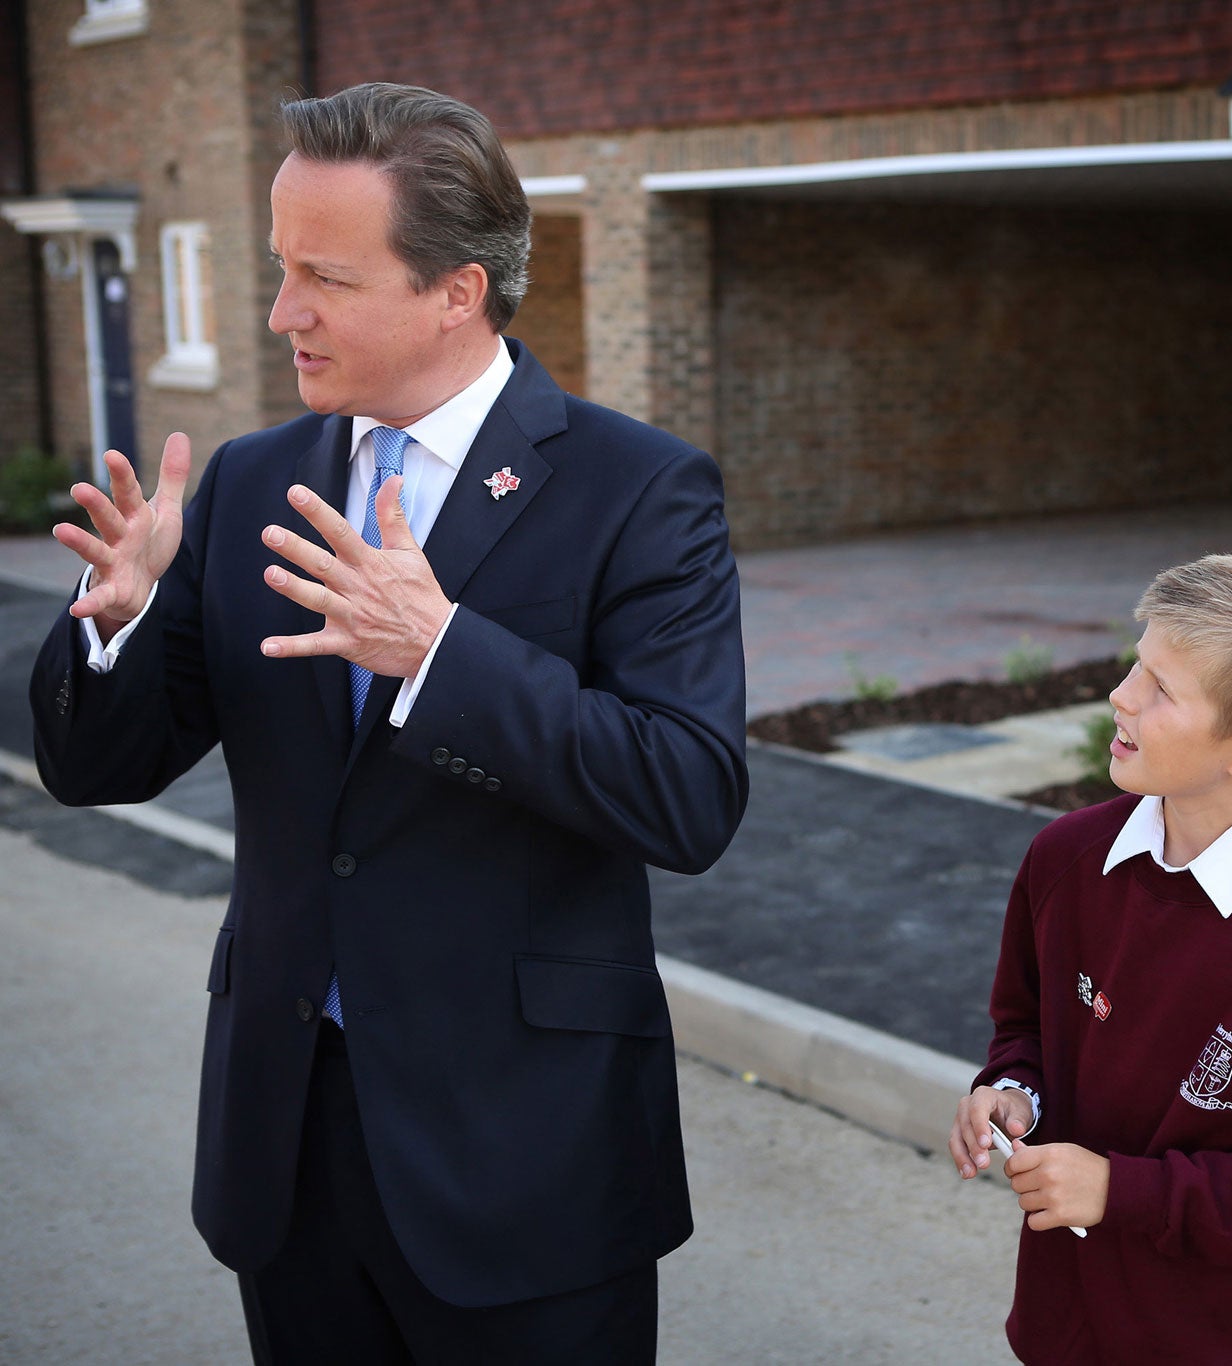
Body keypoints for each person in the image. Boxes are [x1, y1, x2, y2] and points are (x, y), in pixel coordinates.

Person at [29, 83, 747, 1363]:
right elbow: (98, 765)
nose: (280, 312)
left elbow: (686, 795)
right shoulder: (254, 479)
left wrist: (443, 656)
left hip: (527, 1159)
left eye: (325, 277)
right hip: (287, 1141)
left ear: (456, 291)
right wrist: (115, 624)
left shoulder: (636, 489)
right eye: (277, 267)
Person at [947, 553, 1232, 1365]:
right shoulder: (1064, 861)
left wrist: (1121, 1193)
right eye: (1137, 663)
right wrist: (1012, 1090)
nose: (1122, 694)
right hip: (1066, 1328)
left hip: (1228, 1342)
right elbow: (1025, 1027)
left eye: (1162, 688)